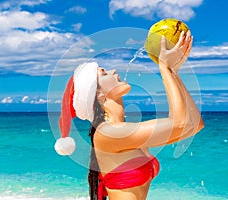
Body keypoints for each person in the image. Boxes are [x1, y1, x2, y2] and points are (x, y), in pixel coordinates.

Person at [54, 30, 204, 200]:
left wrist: (174, 72)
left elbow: (194, 124)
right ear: (98, 95)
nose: (113, 70)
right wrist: (164, 68)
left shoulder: (123, 131)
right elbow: (180, 124)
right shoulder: (106, 133)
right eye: (104, 73)